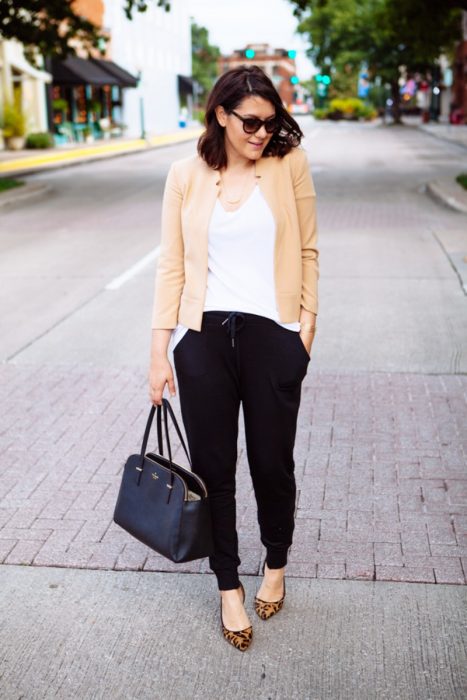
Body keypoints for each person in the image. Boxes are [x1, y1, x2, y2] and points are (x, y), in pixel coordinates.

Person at [149, 65, 319, 652]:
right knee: (213, 470)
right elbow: (171, 264)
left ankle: (276, 561)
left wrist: (305, 331)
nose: (261, 133)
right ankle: (228, 585)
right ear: (221, 114)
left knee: (272, 462)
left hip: (273, 334)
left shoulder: (288, 165)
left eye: (271, 123)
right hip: (203, 340)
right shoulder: (184, 175)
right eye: (250, 121)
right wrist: (159, 352)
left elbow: (308, 248)